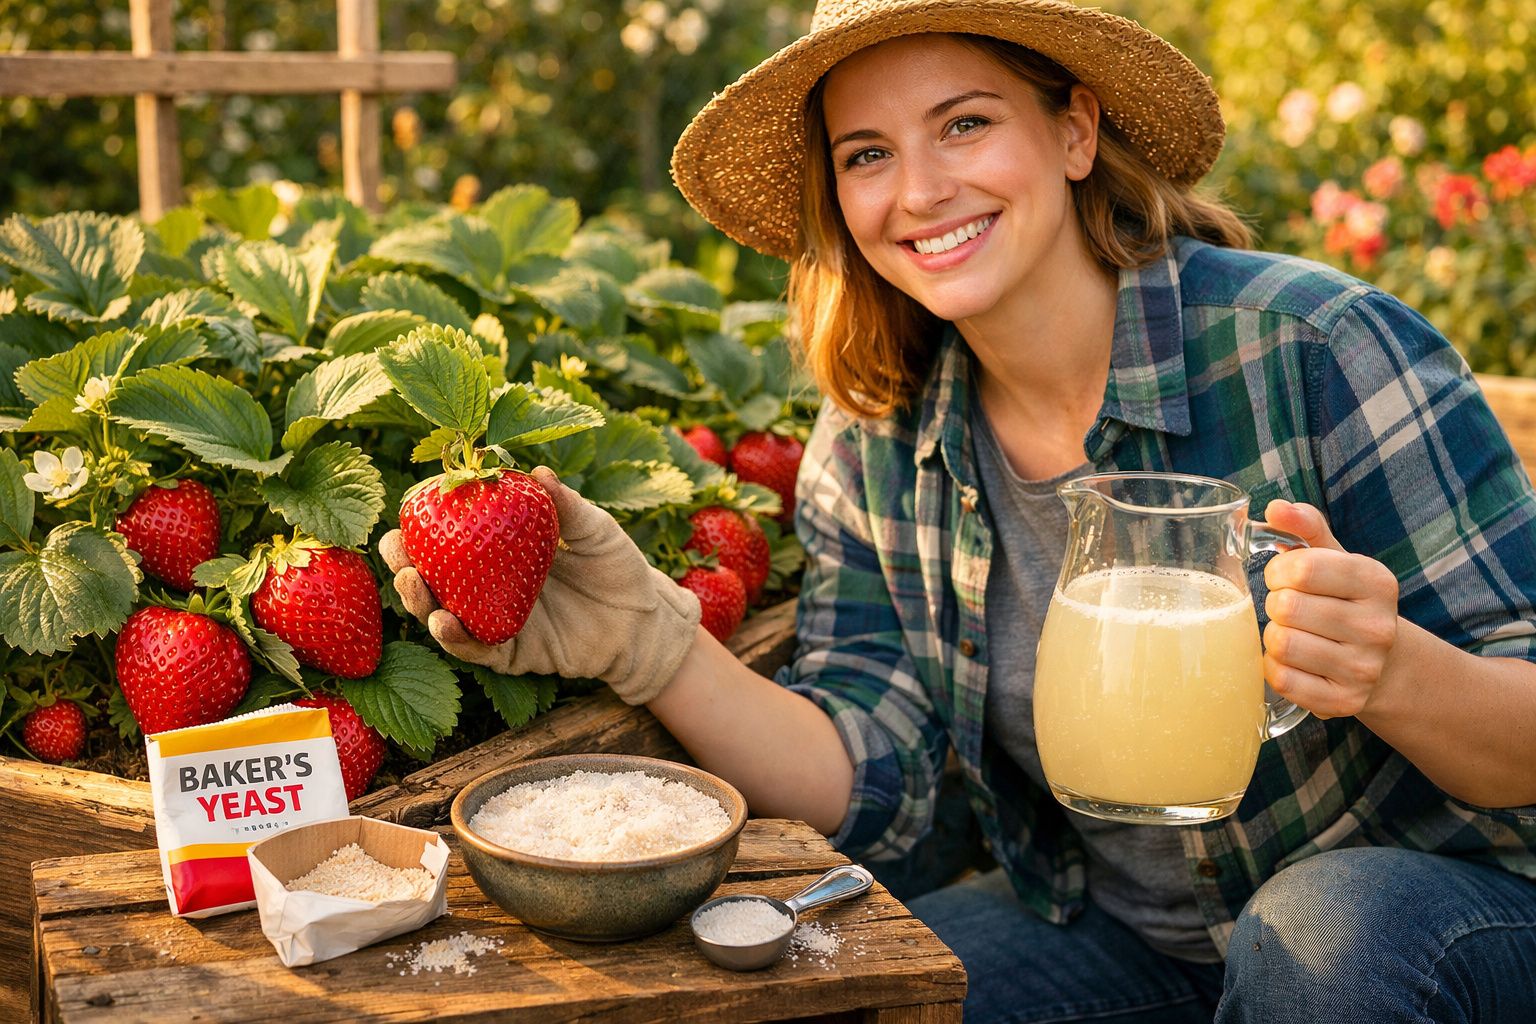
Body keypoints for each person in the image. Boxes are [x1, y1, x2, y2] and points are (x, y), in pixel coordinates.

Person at [381, 0, 1536, 1018]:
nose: (921, 191)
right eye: (868, 152)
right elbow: (874, 773)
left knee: (1329, 927)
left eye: (966, 123)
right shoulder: (880, 443)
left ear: (1076, 131)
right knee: (842, 982)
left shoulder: (1313, 348)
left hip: (1453, 913)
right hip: (1128, 934)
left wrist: (1392, 670)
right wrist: (650, 643)